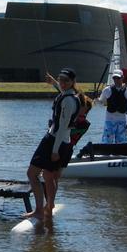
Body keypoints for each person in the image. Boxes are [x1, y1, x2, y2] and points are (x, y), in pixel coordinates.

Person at [25, 68, 80, 220]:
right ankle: (49, 206)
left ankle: (39, 210)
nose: (62, 83)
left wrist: (55, 150)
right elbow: (63, 93)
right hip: (63, 142)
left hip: (54, 141)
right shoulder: (69, 96)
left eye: (66, 81)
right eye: (60, 80)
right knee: (49, 176)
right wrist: (54, 83)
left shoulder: (68, 101)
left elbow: (62, 127)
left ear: (73, 82)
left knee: (32, 174)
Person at [96, 69, 127, 143]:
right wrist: (96, 99)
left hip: (122, 121)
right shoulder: (107, 90)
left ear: (122, 77)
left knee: (122, 143)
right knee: (106, 142)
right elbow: (101, 103)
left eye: (118, 78)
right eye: (114, 78)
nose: (116, 80)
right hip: (109, 121)